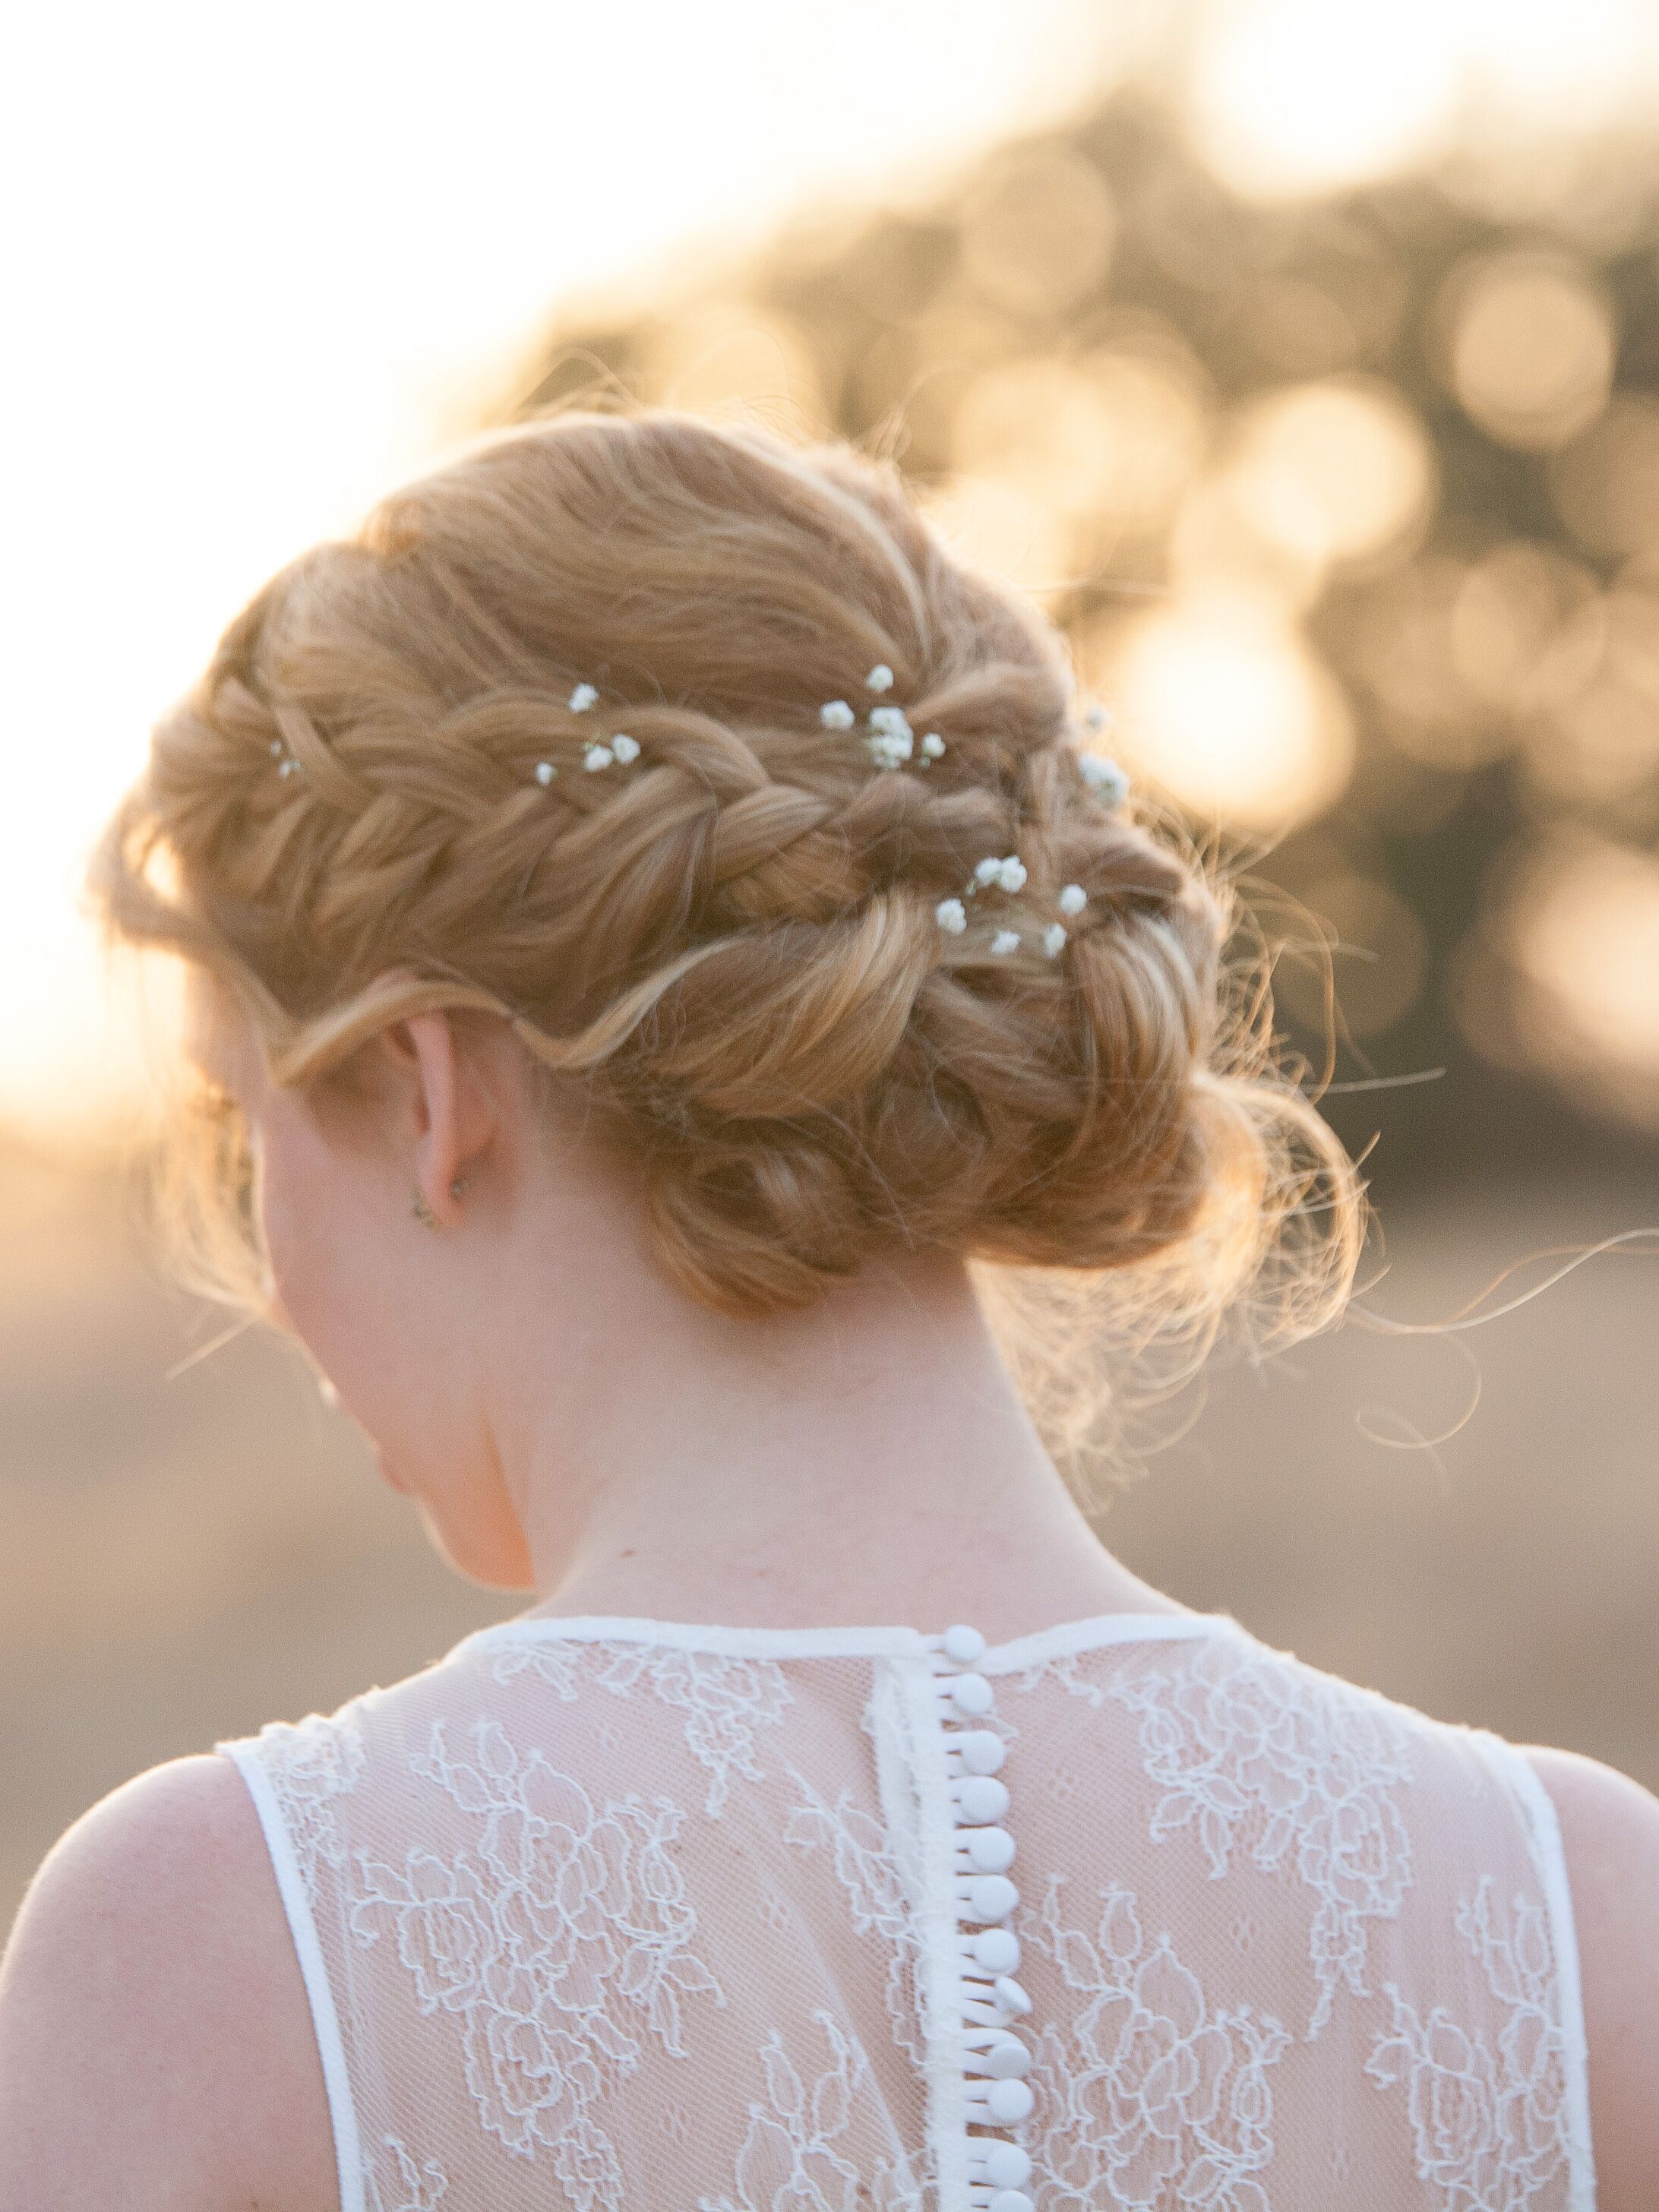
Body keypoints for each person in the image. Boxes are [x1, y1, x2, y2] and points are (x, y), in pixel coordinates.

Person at [0, 410, 1651, 2210]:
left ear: (427, 1090)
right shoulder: (1584, 1926)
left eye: (248, 1133)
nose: (272, 1280)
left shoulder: (208, 1954)